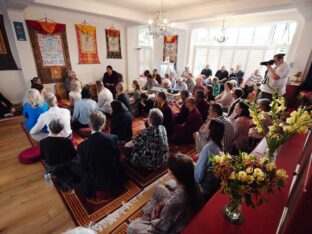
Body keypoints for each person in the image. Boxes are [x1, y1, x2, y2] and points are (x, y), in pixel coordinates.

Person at [127, 153, 203, 234]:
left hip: (173, 228)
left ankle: (147, 219)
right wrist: (161, 204)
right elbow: (173, 198)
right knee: (159, 189)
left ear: (175, 175)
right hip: (179, 212)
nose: (168, 170)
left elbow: (161, 228)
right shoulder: (192, 182)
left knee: (131, 228)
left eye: (169, 169)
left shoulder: (174, 202)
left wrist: (153, 219)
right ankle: (147, 218)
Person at [74, 111, 125, 198]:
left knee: (74, 168)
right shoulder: (113, 138)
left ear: (89, 124)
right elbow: (117, 158)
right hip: (114, 176)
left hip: (97, 182)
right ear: (104, 124)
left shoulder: (82, 146)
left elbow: (84, 168)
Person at [195, 119, 224, 200]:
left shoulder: (207, 148)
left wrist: (194, 165)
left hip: (204, 187)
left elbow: (198, 177)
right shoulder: (220, 143)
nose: (204, 125)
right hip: (214, 184)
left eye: (207, 124)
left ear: (211, 130)